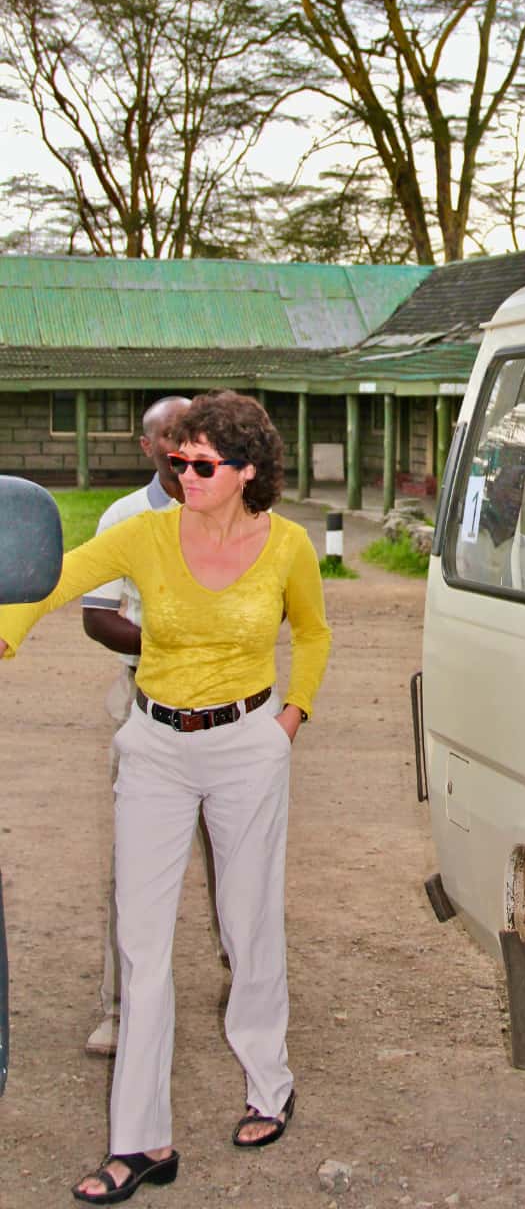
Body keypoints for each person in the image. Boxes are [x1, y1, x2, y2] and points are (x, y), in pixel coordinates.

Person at [0, 391, 331, 1204]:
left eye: (202, 464)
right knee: (143, 945)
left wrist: (292, 716)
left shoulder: (287, 546)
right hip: (154, 746)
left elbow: (314, 633)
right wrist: (5, 632)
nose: (183, 473)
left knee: (246, 925)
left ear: (248, 471)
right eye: (176, 459)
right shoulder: (144, 534)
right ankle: (140, 1140)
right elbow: (55, 583)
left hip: (248, 745)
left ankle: (269, 1083)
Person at [81, 395, 194, 1059]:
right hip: (146, 703)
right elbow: (97, 616)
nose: (183, 449)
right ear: (146, 447)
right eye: (168, 438)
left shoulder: (231, 509)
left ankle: (248, 999)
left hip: (230, 712)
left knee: (239, 870)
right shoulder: (124, 517)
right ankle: (121, 1009)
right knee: (139, 866)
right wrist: (172, 648)